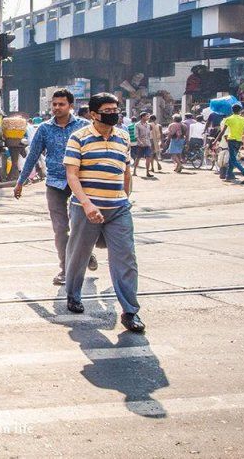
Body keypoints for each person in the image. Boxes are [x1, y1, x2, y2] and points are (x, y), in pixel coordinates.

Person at [63, 92, 145, 333]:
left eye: (115, 110)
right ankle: (73, 295)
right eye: (107, 111)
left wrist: (125, 199)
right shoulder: (79, 138)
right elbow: (72, 175)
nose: (113, 114)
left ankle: (130, 312)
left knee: (126, 259)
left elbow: (126, 172)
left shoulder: (122, 138)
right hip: (84, 208)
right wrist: (88, 205)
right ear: (93, 114)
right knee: (78, 255)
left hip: (118, 209)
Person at [14, 89, 95, 286]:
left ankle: (86, 254)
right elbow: (33, 155)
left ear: (71, 106)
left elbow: (94, 153)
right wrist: (20, 181)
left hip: (80, 183)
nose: (57, 108)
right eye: (54, 104)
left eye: (62, 104)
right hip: (55, 183)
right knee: (60, 229)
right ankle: (65, 269)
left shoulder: (85, 126)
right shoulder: (44, 129)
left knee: (80, 227)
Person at [216, 104, 244, 183]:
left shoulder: (228, 119)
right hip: (239, 141)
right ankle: (228, 176)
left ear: (232, 110)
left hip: (231, 140)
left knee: (233, 160)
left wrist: (216, 141)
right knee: (231, 159)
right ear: (240, 111)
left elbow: (222, 132)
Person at [133, 112, 155, 178]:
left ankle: (147, 172)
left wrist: (150, 143)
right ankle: (134, 171)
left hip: (147, 144)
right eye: (147, 116)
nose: (148, 118)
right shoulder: (137, 125)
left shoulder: (148, 125)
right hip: (140, 144)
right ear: (142, 117)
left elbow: (149, 135)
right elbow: (136, 135)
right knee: (138, 158)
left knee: (148, 157)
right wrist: (140, 142)